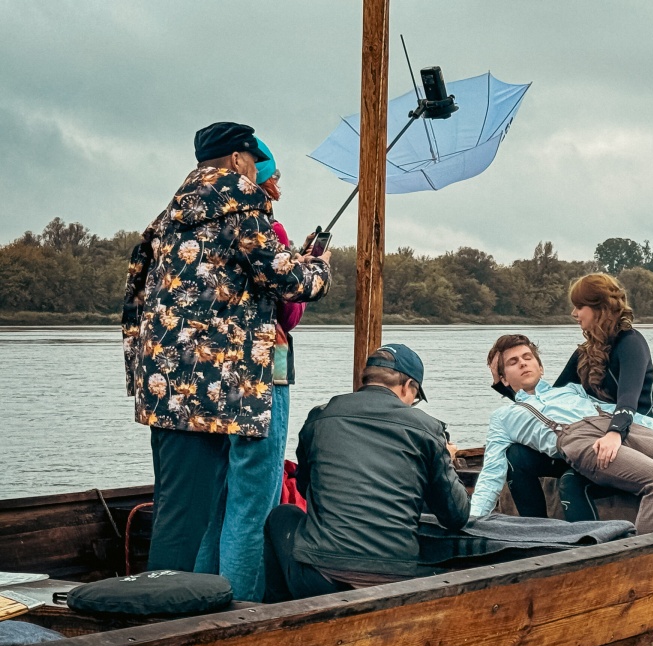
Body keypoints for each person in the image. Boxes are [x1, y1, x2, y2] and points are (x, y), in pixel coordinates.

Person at [122, 121, 332, 575]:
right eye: (255, 161)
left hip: (162, 384)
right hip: (215, 388)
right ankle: (172, 620)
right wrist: (318, 267)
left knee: (181, 511)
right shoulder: (240, 209)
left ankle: (173, 605)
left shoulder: (167, 218)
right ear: (238, 160)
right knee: (205, 515)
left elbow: (135, 297)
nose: (257, 172)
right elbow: (290, 282)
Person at [193, 138, 312, 600]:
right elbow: (286, 313)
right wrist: (307, 268)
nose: (278, 186)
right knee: (251, 505)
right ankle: (241, 612)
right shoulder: (266, 227)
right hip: (264, 375)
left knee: (215, 504)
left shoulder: (199, 224)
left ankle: (199, 601)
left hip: (211, 378)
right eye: (274, 177)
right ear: (254, 173)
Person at [262, 344, 470, 601]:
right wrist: (446, 459)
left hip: (319, 581)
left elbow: (308, 487)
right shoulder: (427, 428)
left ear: (366, 379)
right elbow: (456, 515)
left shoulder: (320, 418)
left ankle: (277, 616)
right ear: (407, 387)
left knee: (281, 516)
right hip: (395, 580)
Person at [473, 335, 653, 534]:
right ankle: (643, 561)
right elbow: (491, 473)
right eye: (513, 362)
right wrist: (472, 520)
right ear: (503, 379)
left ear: (540, 366)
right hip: (580, 441)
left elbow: (614, 410)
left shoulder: (571, 390)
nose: (523, 363)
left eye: (527, 357)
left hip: (617, 427)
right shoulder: (504, 417)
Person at [490, 273, 653, 519]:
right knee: (515, 455)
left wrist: (614, 433)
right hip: (592, 442)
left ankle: (587, 550)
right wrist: (503, 386)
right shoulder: (584, 353)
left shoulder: (631, 343)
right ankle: (537, 534)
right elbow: (550, 402)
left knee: (572, 482)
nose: (574, 313)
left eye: (579, 306)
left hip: (635, 440)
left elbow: (628, 401)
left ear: (600, 308)